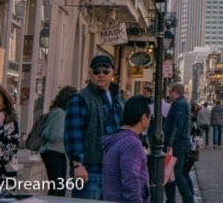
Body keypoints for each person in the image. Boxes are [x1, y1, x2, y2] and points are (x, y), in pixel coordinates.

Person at [65, 54, 125, 200]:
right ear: (90, 73)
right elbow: (73, 133)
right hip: (90, 170)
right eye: (97, 71)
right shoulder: (80, 98)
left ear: (112, 73)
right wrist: (78, 165)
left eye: (105, 71)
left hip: (113, 171)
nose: (101, 75)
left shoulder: (117, 99)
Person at [101, 97, 151, 203]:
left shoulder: (118, 138)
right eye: (149, 117)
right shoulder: (132, 144)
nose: (150, 120)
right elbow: (131, 181)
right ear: (143, 118)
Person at [40, 85, 76, 196]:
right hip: (52, 152)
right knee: (57, 187)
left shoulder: (60, 112)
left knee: (59, 186)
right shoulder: (60, 113)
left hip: (59, 152)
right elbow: (53, 135)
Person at [163, 83, 194, 203]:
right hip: (178, 143)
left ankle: (188, 199)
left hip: (178, 144)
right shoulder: (180, 103)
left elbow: (177, 125)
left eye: (170, 91)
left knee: (177, 173)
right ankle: (171, 199)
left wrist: (170, 143)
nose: (169, 94)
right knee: (170, 172)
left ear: (175, 91)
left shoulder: (180, 104)